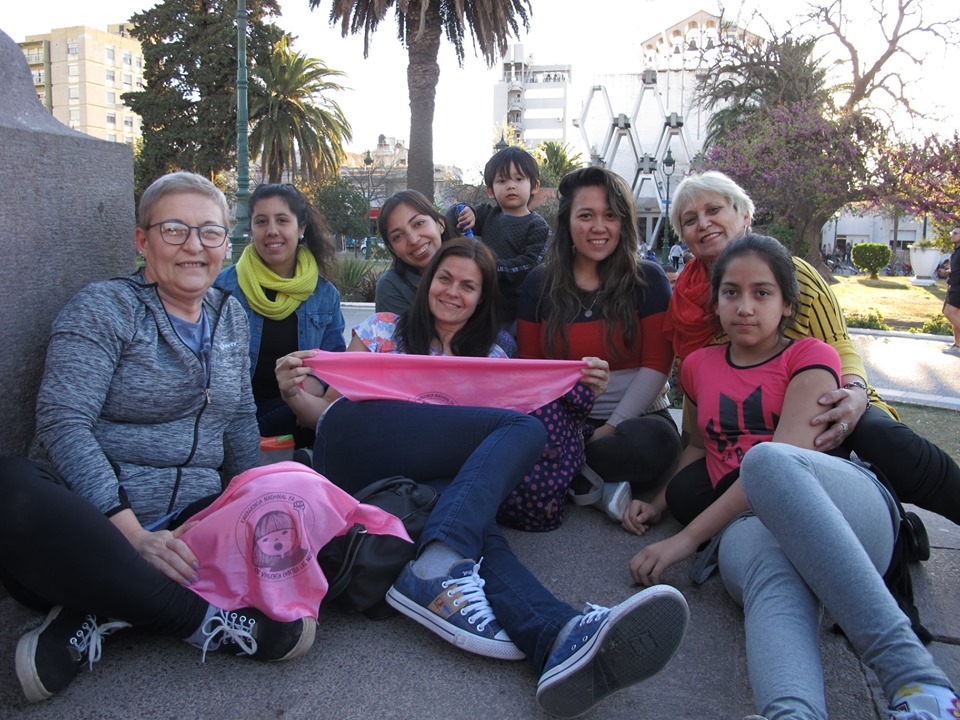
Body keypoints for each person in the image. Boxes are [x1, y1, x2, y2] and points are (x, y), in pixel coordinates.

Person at [276, 238, 689, 718]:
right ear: (428, 283)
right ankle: (441, 560)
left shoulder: (493, 359)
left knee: (476, 528)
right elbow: (327, 415)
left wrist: (578, 380)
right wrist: (294, 395)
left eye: (468, 286)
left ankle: (557, 635)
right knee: (521, 430)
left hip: (425, 486)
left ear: (482, 298)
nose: (453, 292)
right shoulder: (383, 329)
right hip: (355, 449)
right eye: (445, 279)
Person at [0, 173, 315, 704]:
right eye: (174, 230)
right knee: (9, 484)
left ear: (224, 245)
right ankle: (201, 620)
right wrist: (131, 535)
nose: (194, 246)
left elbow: (239, 418)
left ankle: (100, 611)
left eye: (209, 233)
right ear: (142, 240)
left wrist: (248, 504)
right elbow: (62, 422)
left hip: (194, 524)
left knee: (299, 479)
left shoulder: (230, 314)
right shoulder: (103, 308)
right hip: (91, 530)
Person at [627, 234, 958, 720]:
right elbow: (697, 445)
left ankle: (918, 682)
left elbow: (785, 459)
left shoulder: (809, 356)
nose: (744, 306)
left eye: (762, 293)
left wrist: (685, 540)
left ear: (786, 304)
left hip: (841, 510)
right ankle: (792, 712)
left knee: (766, 461)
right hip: (749, 530)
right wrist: (657, 502)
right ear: (716, 302)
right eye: (731, 293)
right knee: (770, 571)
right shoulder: (697, 366)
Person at [663, 171, 960, 528]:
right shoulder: (684, 299)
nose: (704, 224)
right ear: (684, 238)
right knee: (688, 494)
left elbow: (839, 344)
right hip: (742, 431)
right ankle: (868, 521)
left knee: (876, 435)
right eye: (690, 220)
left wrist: (855, 394)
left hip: (821, 409)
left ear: (744, 216)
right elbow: (698, 396)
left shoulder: (793, 275)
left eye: (714, 210)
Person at [517, 167, 681, 522]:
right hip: (563, 417)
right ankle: (590, 480)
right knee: (520, 434)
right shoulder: (539, 283)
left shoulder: (648, 280)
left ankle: (568, 469)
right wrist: (564, 428)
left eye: (611, 216)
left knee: (656, 445)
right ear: (568, 222)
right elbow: (530, 366)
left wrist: (609, 427)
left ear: (624, 223)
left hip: (635, 418)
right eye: (586, 215)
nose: (598, 227)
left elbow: (657, 364)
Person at [216, 183, 345, 445]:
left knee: (344, 414)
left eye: (282, 220)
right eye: (261, 221)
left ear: (301, 228)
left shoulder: (324, 294)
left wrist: (312, 387)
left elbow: (333, 360)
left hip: (296, 406)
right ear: (251, 230)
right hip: (238, 413)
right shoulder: (223, 288)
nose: (271, 230)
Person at [450, 146, 550, 326]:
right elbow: (453, 215)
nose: (511, 185)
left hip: (518, 310)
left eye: (519, 179)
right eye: (502, 181)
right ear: (490, 190)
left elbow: (530, 265)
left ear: (534, 186)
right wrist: (467, 211)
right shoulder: (488, 214)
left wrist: (489, 267)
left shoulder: (538, 226)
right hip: (483, 304)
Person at [374, 189, 453, 314]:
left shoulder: (473, 267)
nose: (413, 240)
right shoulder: (391, 286)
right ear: (392, 249)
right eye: (398, 236)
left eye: (419, 223)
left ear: (440, 224)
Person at [942, 226, 960, 356]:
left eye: (955, 233)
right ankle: (957, 345)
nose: (952, 235)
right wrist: (947, 272)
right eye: (952, 232)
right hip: (954, 285)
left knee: (948, 312)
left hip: (958, 287)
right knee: (956, 316)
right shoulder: (957, 251)